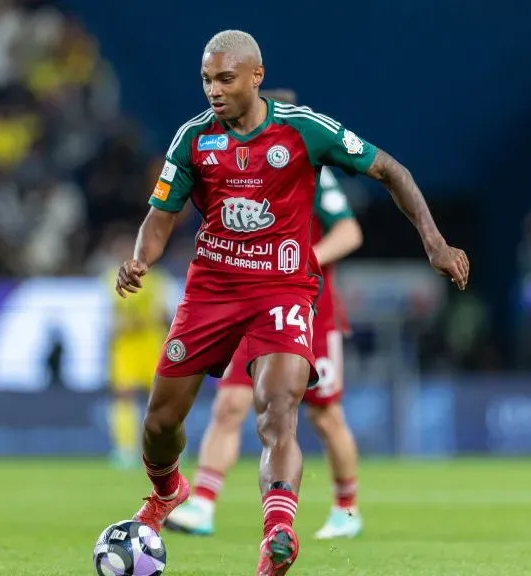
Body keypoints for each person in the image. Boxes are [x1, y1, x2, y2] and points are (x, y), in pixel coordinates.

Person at [115, 30, 469, 576]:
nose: (213, 90)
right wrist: (141, 259)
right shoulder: (192, 138)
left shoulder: (306, 130)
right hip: (211, 291)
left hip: (283, 290)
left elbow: (391, 170)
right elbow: (161, 217)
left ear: (255, 77)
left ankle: (278, 534)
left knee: (277, 410)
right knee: (161, 423)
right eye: (207, 79)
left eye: (225, 79)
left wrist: (434, 241)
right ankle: (167, 492)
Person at [163, 88, 366, 540]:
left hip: (309, 309)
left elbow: (350, 232)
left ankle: (347, 509)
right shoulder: (228, 166)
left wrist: (302, 259)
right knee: (230, 403)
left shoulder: (303, 164)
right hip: (250, 304)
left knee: (324, 416)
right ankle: (203, 503)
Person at [105, 231, 173, 468]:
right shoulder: (109, 278)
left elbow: (165, 313)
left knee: (161, 397)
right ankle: (125, 449)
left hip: (151, 342)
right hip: (125, 345)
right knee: (123, 394)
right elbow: (111, 316)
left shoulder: (157, 279)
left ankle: (166, 447)